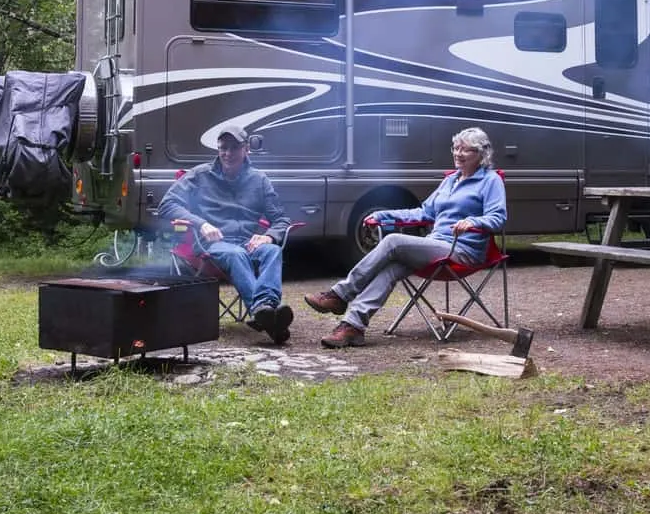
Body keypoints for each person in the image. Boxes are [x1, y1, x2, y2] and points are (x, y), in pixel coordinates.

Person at [304, 126, 507, 348]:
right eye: (456, 148)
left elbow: (498, 217)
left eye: (466, 150)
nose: (458, 154)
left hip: (462, 251)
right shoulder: (450, 180)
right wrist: (383, 215)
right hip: (436, 245)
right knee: (391, 268)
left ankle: (340, 294)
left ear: (481, 154)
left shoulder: (490, 181)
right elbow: (424, 213)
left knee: (392, 242)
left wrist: (473, 222)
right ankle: (353, 326)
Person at [157, 124, 294, 344]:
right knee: (235, 254)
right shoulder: (200, 175)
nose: (227, 154)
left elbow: (281, 219)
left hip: (247, 242)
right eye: (223, 148)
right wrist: (201, 224)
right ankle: (267, 313)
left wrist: (268, 236)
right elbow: (167, 205)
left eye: (234, 148)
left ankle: (265, 310)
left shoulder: (259, 180)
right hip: (213, 244)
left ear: (246, 149)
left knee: (272, 251)